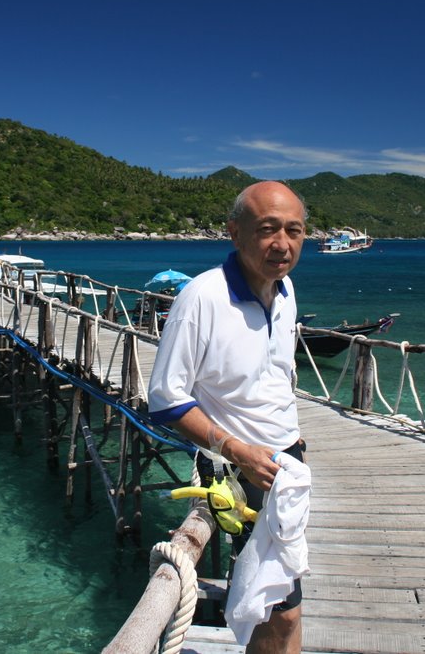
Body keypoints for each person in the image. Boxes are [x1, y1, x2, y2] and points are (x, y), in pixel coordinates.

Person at [147, 181, 308, 653]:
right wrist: (236, 449)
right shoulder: (202, 298)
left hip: (287, 464)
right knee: (280, 609)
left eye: (294, 231)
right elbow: (166, 398)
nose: (282, 243)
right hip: (239, 469)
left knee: (278, 597)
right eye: (268, 229)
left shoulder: (285, 290)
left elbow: (274, 377)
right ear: (235, 233)